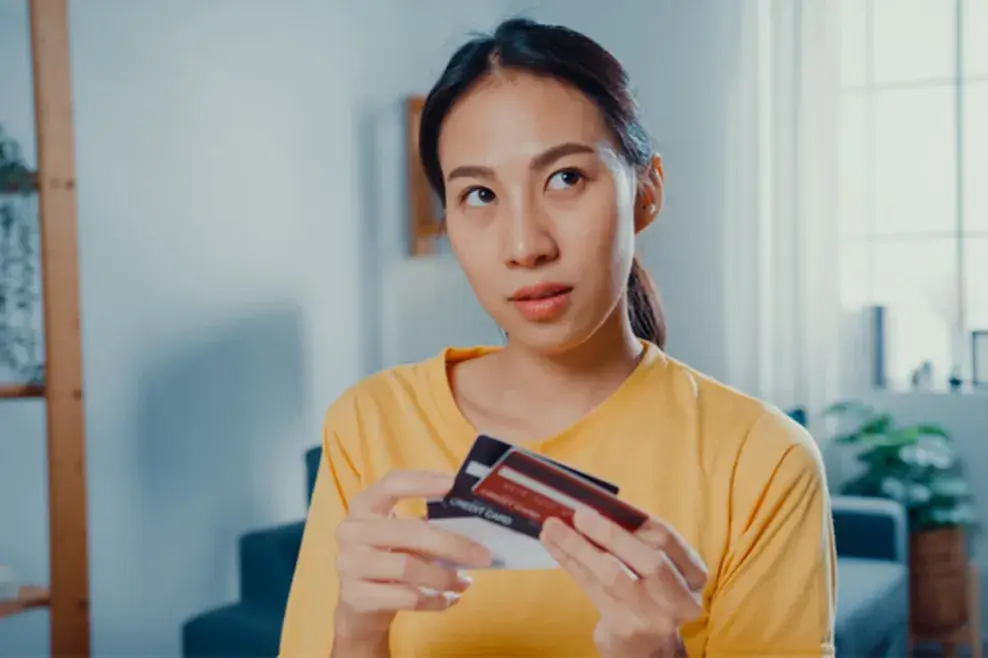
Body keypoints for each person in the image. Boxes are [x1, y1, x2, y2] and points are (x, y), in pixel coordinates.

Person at [279, 17, 836, 658]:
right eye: (480, 194)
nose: (525, 246)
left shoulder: (763, 460)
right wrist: (355, 629)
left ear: (646, 192)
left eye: (566, 178)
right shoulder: (370, 422)